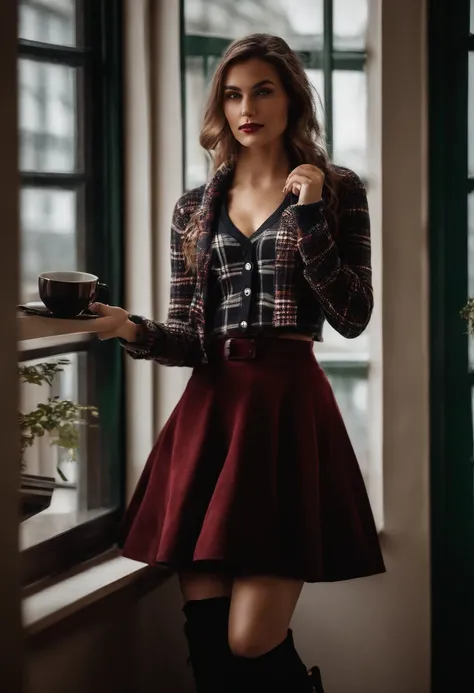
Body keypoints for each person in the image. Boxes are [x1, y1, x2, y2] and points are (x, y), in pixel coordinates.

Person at [89, 32, 385, 693]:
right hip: (212, 414)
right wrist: (126, 327)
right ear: (219, 107)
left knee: (251, 639)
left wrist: (309, 221)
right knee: (210, 641)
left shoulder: (336, 190)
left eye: (262, 90)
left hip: (285, 412)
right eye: (231, 94)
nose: (245, 106)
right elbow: (191, 339)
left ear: (292, 99)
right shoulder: (194, 209)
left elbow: (353, 314)